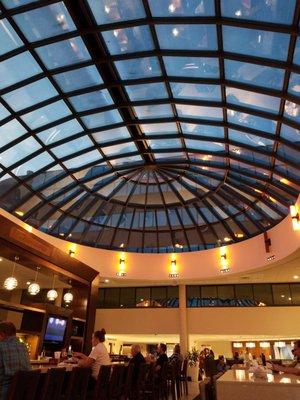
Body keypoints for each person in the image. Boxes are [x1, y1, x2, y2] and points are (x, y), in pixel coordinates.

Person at [0, 321, 31, 400]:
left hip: (5, 394)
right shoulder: (24, 346)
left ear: (2, 334)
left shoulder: (1, 346)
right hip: (21, 393)